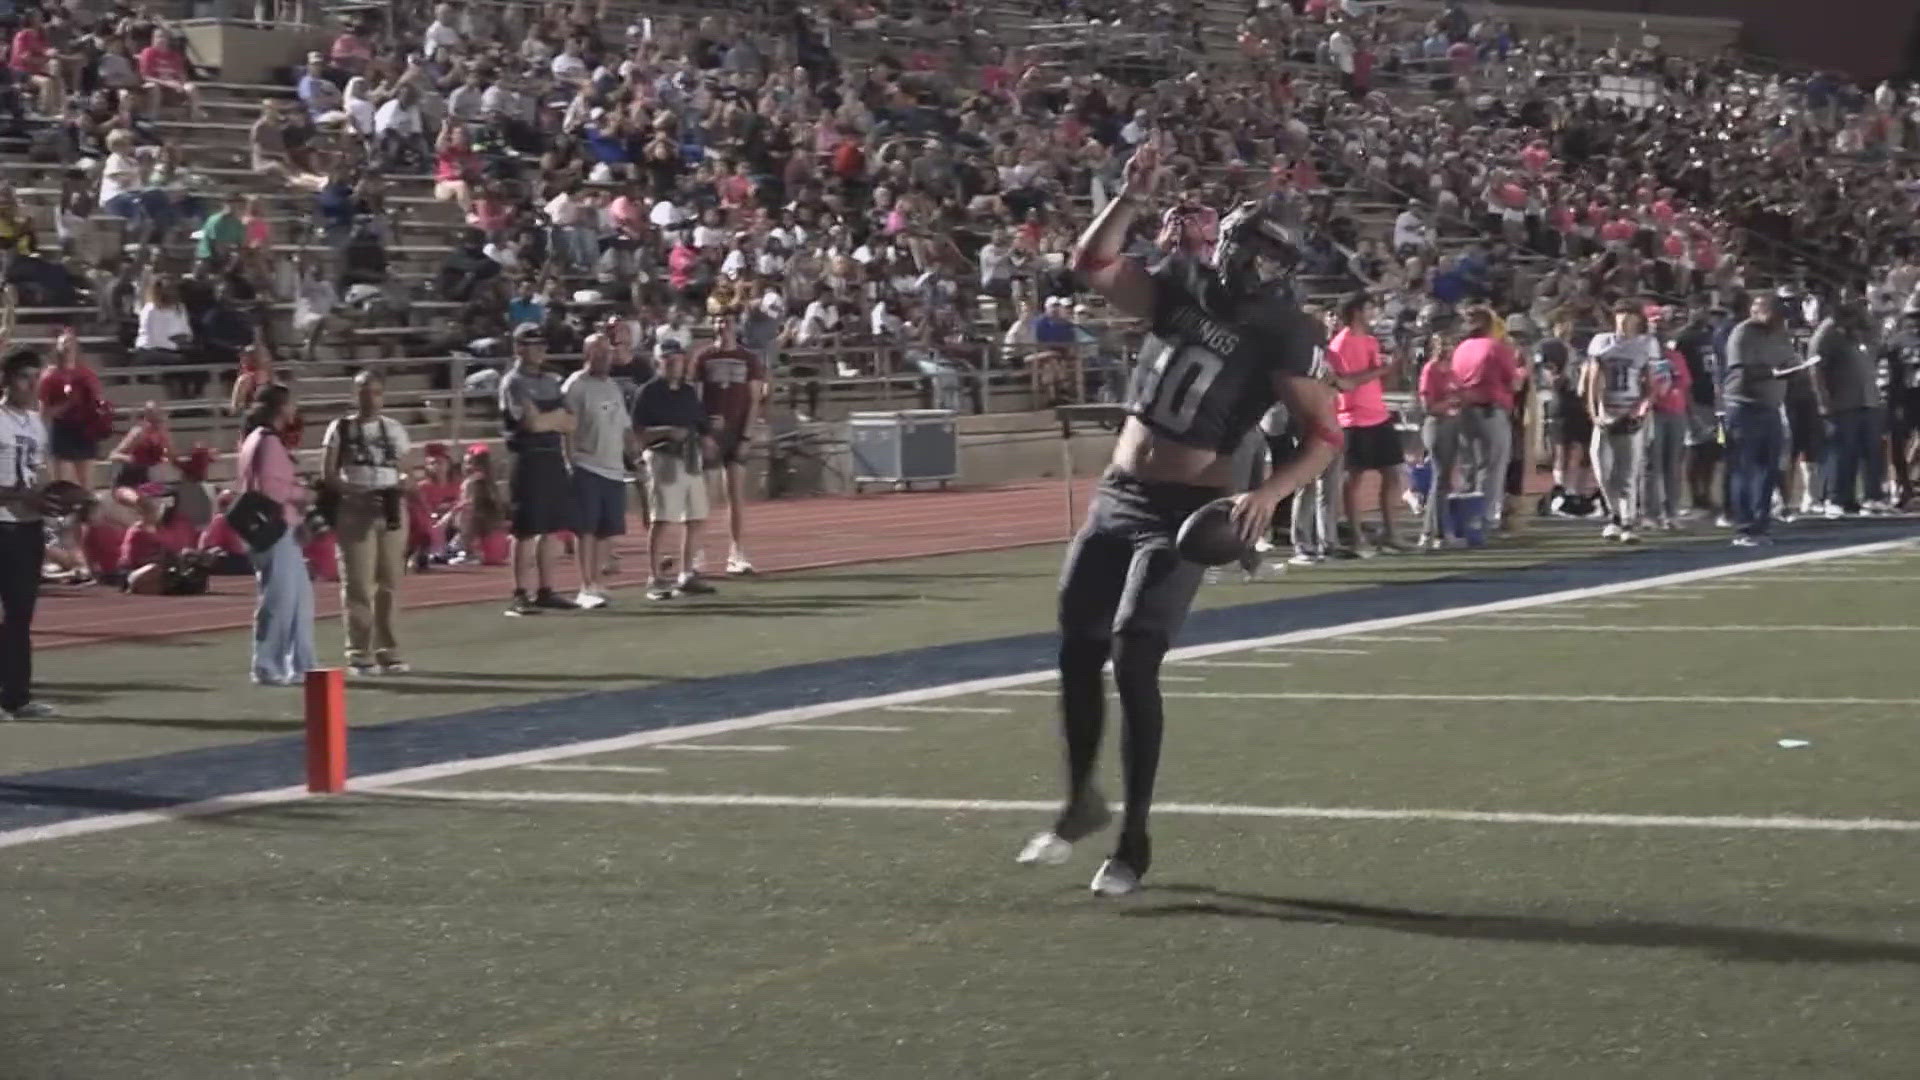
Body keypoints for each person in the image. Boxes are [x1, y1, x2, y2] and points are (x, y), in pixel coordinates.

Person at [1014, 143, 1340, 897]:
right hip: (1118, 492)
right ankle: (1080, 800)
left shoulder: (1283, 328)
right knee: (1075, 646)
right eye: (1242, 245)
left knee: (1133, 657)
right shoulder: (1185, 283)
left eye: (1262, 253)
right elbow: (1092, 266)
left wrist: (1269, 495)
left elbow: (1325, 436)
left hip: (1189, 508)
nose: (1248, 262)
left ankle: (1133, 840)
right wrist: (1127, 199)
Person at [320, 370, 412, 675]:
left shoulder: (394, 429)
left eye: (374, 392)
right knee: (358, 582)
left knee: (390, 582)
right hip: (354, 508)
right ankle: (359, 652)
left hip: (389, 508)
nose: (369, 398)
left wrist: (400, 486)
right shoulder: (340, 428)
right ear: (354, 394)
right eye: (363, 391)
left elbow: (407, 471)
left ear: (383, 396)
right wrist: (356, 492)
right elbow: (328, 475)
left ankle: (389, 650)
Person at [236, 383, 316, 685]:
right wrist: (303, 495)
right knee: (280, 599)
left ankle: (302, 665)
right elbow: (272, 489)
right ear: (281, 408)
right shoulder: (266, 441)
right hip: (274, 527)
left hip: (280, 526)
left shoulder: (259, 438)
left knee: (298, 599)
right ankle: (268, 665)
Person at [498, 323, 577, 615]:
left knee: (552, 528)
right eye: (534, 344)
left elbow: (571, 423)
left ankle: (546, 589)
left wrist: (548, 418)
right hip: (527, 458)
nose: (541, 349)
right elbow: (531, 423)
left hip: (552, 457)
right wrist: (552, 418)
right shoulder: (513, 382)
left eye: (543, 343)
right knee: (526, 530)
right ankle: (520, 592)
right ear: (519, 347)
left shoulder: (552, 380)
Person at [632, 342, 715, 600]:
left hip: (690, 457)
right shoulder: (648, 393)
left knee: (696, 516)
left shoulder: (689, 392)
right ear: (658, 362)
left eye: (677, 359)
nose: (673, 363)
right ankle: (655, 577)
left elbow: (699, 423)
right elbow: (638, 432)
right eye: (667, 359)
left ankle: (687, 573)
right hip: (663, 457)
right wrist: (667, 431)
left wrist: (707, 436)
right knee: (662, 519)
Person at [561, 332, 636, 608]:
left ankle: (598, 583)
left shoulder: (613, 386)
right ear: (587, 354)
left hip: (613, 466)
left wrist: (634, 455)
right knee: (586, 529)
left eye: (607, 352)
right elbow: (566, 429)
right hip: (587, 464)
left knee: (606, 529)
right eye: (598, 352)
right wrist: (569, 463)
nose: (605, 357)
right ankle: (585, 585)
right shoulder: (576, 386)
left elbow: (624, 426)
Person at [0, 347, 55, 719]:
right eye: (25, 377)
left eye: (36, 378)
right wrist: (21, 497)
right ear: (7, 379)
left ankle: (17, 696)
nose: (32, 385)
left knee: (20, 615)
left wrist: (58, 500)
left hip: (27, 527)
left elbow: (40, 474)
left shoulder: (36, 422)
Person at [1326, 292, 1402, 552]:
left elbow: (1379, 379)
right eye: (1370, 307)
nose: (1374, 312)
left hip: (1378, 413)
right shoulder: (1340, 344)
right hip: (1353, 418)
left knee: (1393, 474)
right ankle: (1357, 535)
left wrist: (1395, 366)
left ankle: (1391, 533)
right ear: (1357, 311)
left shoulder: (1371, 341)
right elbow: (1346, 383)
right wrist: (1380, 370)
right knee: (1354, 478)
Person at [1723, 295, 1800, 546]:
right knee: (1744, 469)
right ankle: (1745, 527)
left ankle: (1761, 524)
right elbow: (1740, 371)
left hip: (1770, 407)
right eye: (1777, 315)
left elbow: (1788, 360)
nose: (1782, 321)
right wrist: (1775, 372)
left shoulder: (1780, 334)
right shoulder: (1743, 333)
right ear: (1761, 311)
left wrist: (1795, 367)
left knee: (1768, 469)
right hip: (1744, 406)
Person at [695, 312, 767, 575]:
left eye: (726, 321)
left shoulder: (749, 359)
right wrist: (703, 432)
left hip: (737, 433)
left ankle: (736, 552)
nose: (721, 326)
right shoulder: (704, 357)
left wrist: (747, 436)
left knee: (735, 495)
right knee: (704, 495)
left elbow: (754, 400)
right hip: (711, 435)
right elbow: (697, 398)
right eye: (716, 321)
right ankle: (697, 553)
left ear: (735, 325)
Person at [1584, 301, 1660, 542]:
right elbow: (1593, 381)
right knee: (1601, 467)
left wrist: (1640, 409)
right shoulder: (1601, 342)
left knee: (1627, 471)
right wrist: (1594, 413)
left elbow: (1651, 385)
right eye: (1620, 315)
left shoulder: (1646, 345)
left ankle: (1627, 522)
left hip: (1630, 410)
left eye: (1629, 316)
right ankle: (1614, 514)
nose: (1623, 320)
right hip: (1607, 411)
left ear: (1638, 320)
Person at [1448, 307, 1524, 535]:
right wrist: (1523, 371)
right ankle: (1486, 518)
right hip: (1491, 410)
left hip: (1463, 410)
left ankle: (1465, 516)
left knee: (1469, 466)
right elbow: (1514, 384)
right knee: (1492, 467)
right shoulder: (1496, 348)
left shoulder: (1460, 349)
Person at [1809, 300, 1884, 516]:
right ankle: (1835, 498)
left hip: (1867, 400)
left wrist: (1865, 319)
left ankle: (1868, 497)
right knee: (1841, 453)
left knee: (1870, 452)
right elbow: (1816, 369)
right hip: (1842, 403)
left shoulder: (1859, 332)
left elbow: (1875, 337)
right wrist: (1823, 400)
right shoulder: (1828, 333)